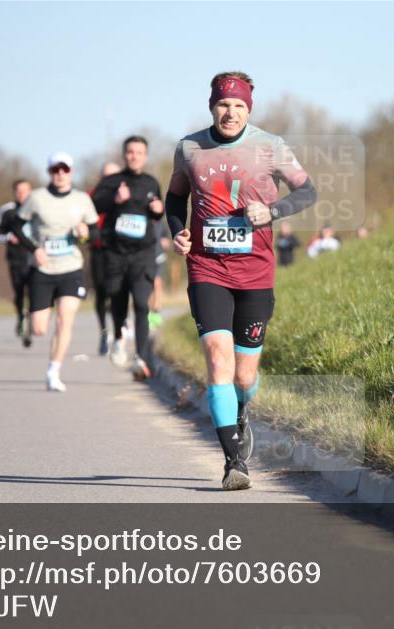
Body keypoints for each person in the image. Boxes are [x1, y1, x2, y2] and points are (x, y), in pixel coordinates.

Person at [166, 71, 317, 490]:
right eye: (222, 104)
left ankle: (241, 410)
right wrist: (177, 229)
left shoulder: (270, 147)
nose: (229, 112)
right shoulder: (190, 148)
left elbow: (308, 192)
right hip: (207, 267)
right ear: (211, 106)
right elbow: (175, 197)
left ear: (249, 109)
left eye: (238, 106)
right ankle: (235, 461)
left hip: (255, 270)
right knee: (217, 358)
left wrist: (273, 212)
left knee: (245, 377)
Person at [8, 152, 97, 391]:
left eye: (64, 169)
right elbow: (15, 226)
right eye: (55, 170)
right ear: (49, 172)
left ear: (71, 172)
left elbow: (94, 233)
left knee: (65, 319)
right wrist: (34, 249)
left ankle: (53, 371)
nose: (60, 174)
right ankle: (30, 317)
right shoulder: (37, 198)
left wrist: (84, 233)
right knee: (39, 328)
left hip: (71, 267)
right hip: (42, 269)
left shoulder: (81, 199)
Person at [91, 136, 164, 381]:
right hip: (116, 254)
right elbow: (93, 206)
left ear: (145, 155)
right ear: (124, 154)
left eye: (139, 152)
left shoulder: (151, 182)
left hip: (143, 254)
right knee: (118, 301)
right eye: (130, 152)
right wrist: (114, 200)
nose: (134, 156)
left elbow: (158, 212)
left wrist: (159, 211)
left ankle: (141, 358)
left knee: (142, 304)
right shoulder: (112, 182)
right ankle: (120, 337)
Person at [0, 179, 33, 346]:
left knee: (34, 293)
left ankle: (30, 320)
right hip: (15, 259)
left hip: (35, 259)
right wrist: (10, 237)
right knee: (19, 293)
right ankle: (21, 317)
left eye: (25, 191)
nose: (21, 194)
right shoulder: (7, 210)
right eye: (18, 191)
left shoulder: (37, 208)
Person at [89, 161, 123, 356]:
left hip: (120, 250)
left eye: (113, 176)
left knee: (118, 290)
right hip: (99, 249)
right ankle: (104, 331)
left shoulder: (126, 194)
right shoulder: (93, 195)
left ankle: (120, 328)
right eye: (106, 176)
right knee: (101, 291)